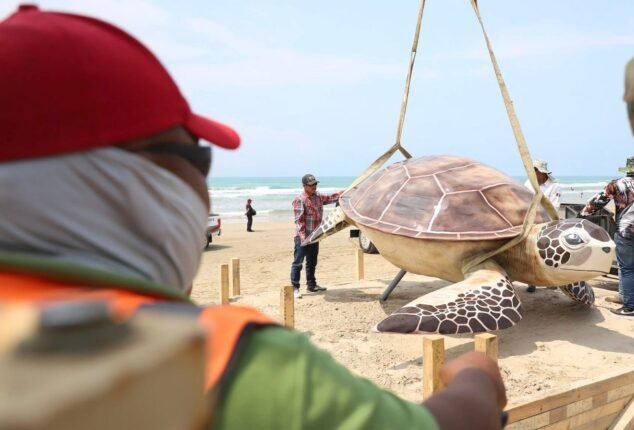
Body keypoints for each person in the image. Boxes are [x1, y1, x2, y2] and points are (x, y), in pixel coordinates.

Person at [0, 6, 508, 430]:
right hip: (322, 241)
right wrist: (477, 379)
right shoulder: (221, 366)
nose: (200, 188)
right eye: (198, 160)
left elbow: (332, 200)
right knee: (300, 264)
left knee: (307, 265)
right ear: (124, 178)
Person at [580, 156, 634, 318]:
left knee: (627, 270)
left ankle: (629, 308)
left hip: (625, 234)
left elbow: (597, 202)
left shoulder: (616, 184)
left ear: (628, 169)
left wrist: (583, 214)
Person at [290, 174, 340, 298]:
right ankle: (295, 288)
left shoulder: (318, 197)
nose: (314, 186)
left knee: (312, 262)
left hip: (315, 236)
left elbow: (330, 198)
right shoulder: (299, 199)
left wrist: (346, 192)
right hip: (303, 237)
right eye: (311, 185)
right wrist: (303, 238)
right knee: (298, 263)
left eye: (315, 184)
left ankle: (311, 285)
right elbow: (299, 220)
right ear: (304, 186)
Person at [523, 159, 561, 293]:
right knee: (529, 253)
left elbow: (554, 206)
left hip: (547, 223)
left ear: (540, 172)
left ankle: (550, 281)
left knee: (547, 254)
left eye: (534, 171)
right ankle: (531, 282)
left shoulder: (554, 185)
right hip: (531, 223)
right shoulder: (528, 183)